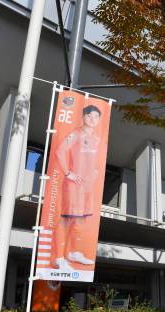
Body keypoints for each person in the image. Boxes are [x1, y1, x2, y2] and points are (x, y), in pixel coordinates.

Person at [53, 105, 103, 273]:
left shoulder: (96, 139)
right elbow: (60, 152)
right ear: (84, 116)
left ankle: (73, 253)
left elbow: (94, 161)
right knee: (67, 220)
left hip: (88, 186)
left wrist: (95, 170)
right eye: (90, 116)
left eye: (96, 117)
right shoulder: (75, 134)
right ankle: (59, 258)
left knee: (80, 220)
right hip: (74, 186)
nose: (93, 119)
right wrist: (68, 173)